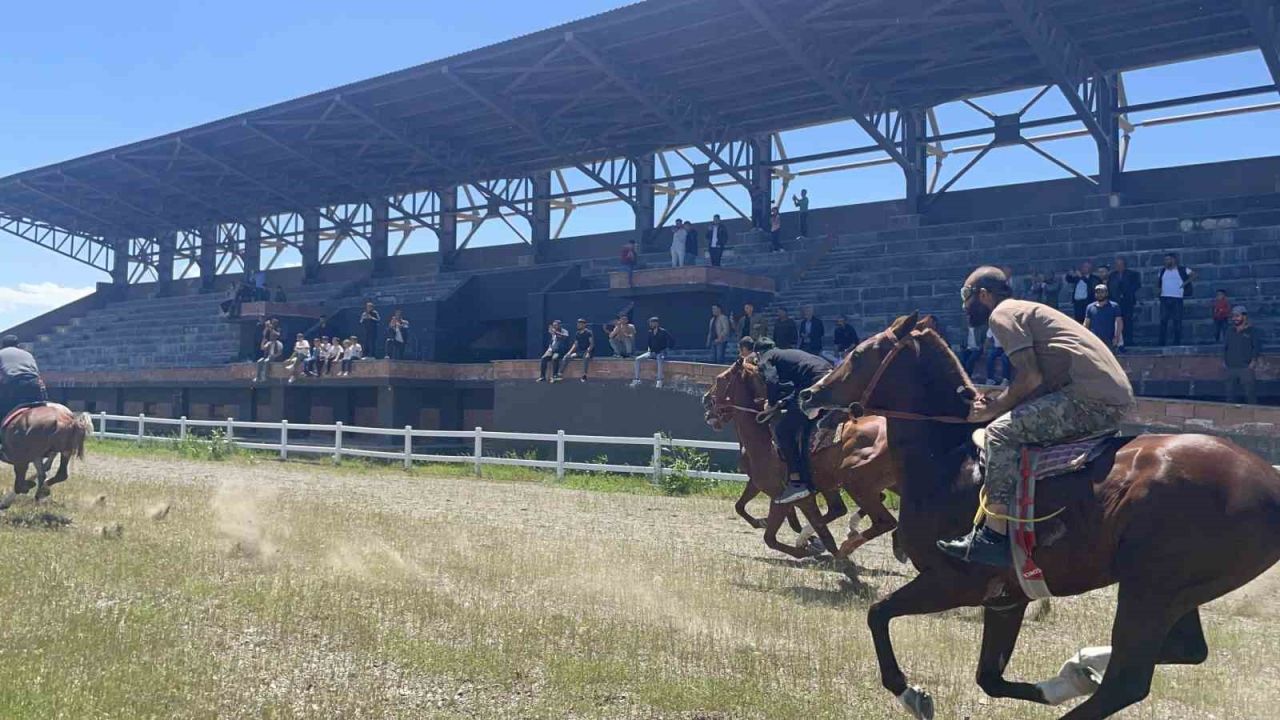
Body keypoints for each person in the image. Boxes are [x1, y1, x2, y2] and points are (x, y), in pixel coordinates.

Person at [938, 267, 1135, 567]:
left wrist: (993, 409)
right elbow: (1038, 383)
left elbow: (1030, 377)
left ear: (984, 295)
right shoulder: (1026, 310)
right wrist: (1005, 403)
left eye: (966, 296)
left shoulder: (1002, 314)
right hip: (1105, 396)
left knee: (998, 433)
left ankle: (993, 536)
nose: (964, 306)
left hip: (1090, 399)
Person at [751, 336, 833, 504]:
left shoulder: (766, 357)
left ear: (758, 353)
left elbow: (771, 380)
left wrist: (771, 402)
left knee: (783, 431)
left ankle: (797, 482)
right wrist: (782, 402)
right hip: (830, 379)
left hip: (814, 384)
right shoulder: (787, 355)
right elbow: (797, 388)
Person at [0, 335, 48, 455]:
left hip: (15, 384)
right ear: (18, 345)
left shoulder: (1, 353)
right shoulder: (28, 354)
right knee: (41, 409)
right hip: (35, 384)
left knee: (2, 411)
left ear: (3, 345)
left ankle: (2, 445)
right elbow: (36, 372)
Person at [1223, 306, 1261, 404]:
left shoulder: (1253, 331)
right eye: (1233, 316)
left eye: (1237, 316)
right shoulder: (1229, 331)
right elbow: (1225, 347)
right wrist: (1225, 361)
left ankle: (1253, 412)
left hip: (1246, 368)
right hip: (1231, 367)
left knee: (1250, 395)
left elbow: (1256, 348)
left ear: (1244, 316)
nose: (1234, 318)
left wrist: (1253, 362)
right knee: (1230, 395)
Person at [1157, 252, 1195, 346]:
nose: (1166, 261)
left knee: (1177, 320)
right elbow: (1158, 282)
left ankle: (1176, 341)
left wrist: (1185, 283)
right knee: (1163, 320)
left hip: (1177, 298)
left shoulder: (1182, 269)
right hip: (1164, 298)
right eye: (1165, 260)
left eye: (1168, 259)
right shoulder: (1162, 271)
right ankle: (1162, 341)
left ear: (1173, 260)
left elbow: (1194, 275)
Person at [1107, 257, 1141, 346]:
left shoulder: (1132, 274)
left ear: (1124, 265)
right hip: (1116, 302)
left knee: (1128, 321)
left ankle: (1128, 340)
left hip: (1127, 301)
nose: (1119, 266)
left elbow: (1137, 285)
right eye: (1117, 264)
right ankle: (1118, 340)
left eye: (1120, 264)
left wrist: (1126, 292)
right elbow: (1110, 287)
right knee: (1116, 321)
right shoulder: (1112, 275)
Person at [632, 317, 674, 388]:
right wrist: (649, 351)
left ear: (656, 323)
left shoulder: (663, 331)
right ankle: (637, 379)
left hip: (661, 352)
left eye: (652, 323)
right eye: (650, 323)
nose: (650, 324)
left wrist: (667, 349)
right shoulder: (650, 332)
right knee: (637, 359)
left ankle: (659, 380)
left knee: (659, 360)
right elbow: (649, 343)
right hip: (652, 352)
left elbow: (672, 340)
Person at [1084, 284, 1124, 354]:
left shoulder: (1114, 306)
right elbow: (1086, 323)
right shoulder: (1090, 307)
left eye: (1102, 292)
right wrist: (1085, 337)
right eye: (1097, 292)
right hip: (1095, 340)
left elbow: (1119, 322)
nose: (1100, 294)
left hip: (1109, 340)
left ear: (1106, 293)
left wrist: (1117, 337)